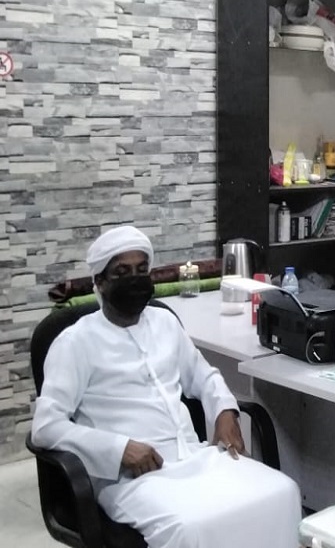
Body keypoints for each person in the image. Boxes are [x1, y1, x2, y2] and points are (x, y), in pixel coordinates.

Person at [31, 226, 301, 548]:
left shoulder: (164, 322)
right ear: (99, 282)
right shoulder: (75, 343)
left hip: (194, 456)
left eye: (141, 270)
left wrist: (225, 411)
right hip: (130, 478)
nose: (134, 279)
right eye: (122, 272)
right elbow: (46, 427)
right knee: (189, 527)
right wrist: (118, 449)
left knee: (282, 492)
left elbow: (204, 376)